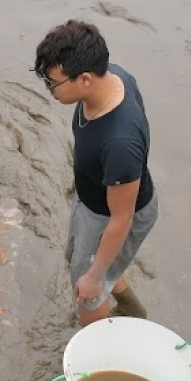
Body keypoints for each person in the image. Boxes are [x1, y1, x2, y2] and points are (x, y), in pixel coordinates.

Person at [34, 20, 157, 327]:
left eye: (53, 83)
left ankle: (96, 350)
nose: (49, 91)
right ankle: (132, 309)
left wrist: (94, 276)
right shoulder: (114, 76)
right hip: (94, 199)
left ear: (85, 79)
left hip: (113, 216)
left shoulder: (120, 145)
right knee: (83, 261)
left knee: (87, 291)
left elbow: (122, 220)